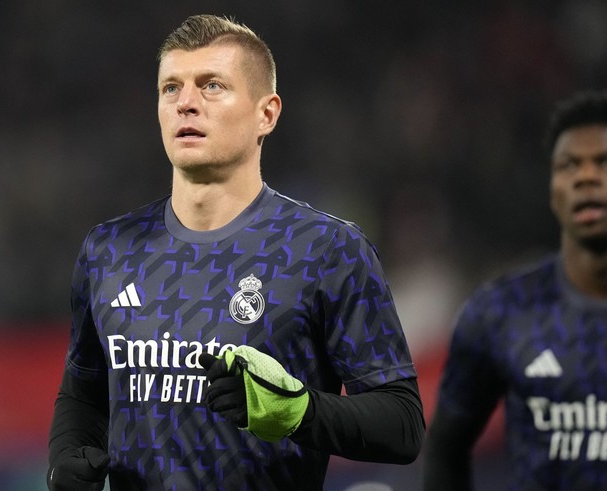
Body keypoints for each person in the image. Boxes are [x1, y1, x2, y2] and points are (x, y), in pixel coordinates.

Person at [47, 14, 424, 491]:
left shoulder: (327, 250)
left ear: (266, 113)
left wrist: (299, 411)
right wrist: (64, 461)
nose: (186, 103)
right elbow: (82, 392)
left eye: (212, 86)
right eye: (171, 88)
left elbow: (403, 424)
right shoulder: (108, 249)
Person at [423, 90, 607, 490]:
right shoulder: (501, 312)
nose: (585, 177)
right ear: (553, 191)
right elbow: (445, 449)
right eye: (568, 166)